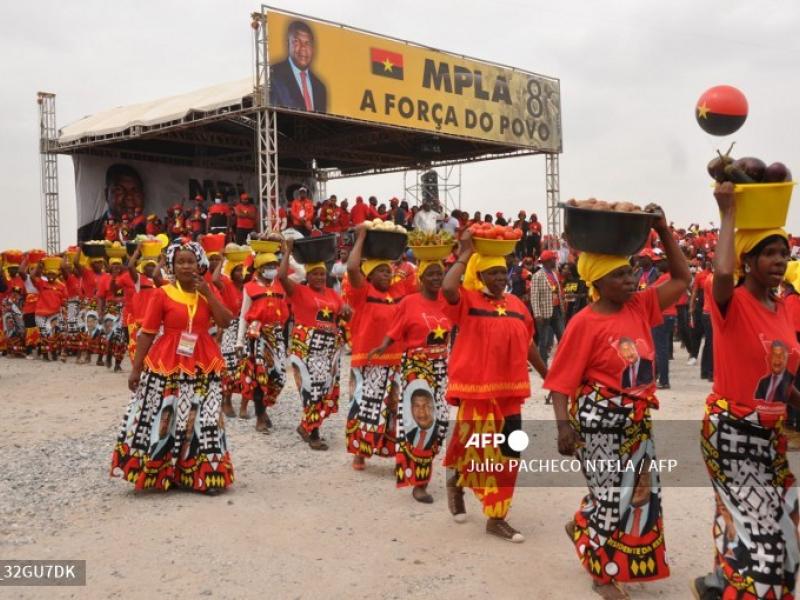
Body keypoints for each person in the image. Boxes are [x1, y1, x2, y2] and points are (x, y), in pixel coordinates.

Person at [543, 204, 689, 600]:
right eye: (621, 275)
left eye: (631, 272)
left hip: (637, 421)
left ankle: (582, 527)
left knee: (636, 494)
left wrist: (663, 229)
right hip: (599, 423)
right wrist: (563, 427)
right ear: (598, 281)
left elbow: (683, 278)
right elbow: (561, 382)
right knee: (610, 496)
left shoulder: (641, 307)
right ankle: (601, 573)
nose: (631, 280)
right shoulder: (584, 323)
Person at [692, 182, 800, 599]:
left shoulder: (780, 310)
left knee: (784, 526)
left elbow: (780, 379)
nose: (779, 260)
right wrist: (727, 212)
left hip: (768, 438)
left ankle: (716, 584)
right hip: (731, 433)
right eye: (769, 253)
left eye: (783, 253)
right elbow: (720, 272)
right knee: (762, 538)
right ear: (747, 260)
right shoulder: (730, 303)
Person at [440, 230, 547, 543]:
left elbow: (529, 344)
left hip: (511, 394)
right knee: (474, 448)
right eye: (493, 273)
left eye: (503, 272)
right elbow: (448, 287)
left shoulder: (516, 303)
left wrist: (547, 375)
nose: (500, 278)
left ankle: (496, 516)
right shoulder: (468, 300)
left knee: (510, 452)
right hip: (477, 391)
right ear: (479, 274)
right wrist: (464, 253)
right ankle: (457, 483)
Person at [111, 240, 234, 493]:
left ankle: (202, 474)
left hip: (203, 361)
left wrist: (209, 295)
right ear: (172, 266)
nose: (186, 266)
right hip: (167, 362)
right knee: (167, 416)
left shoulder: (208, 290)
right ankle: (163, 471)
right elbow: (147, 333)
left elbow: (226, 321)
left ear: (199, 265)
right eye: (180, 262)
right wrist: (136, 369)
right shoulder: (161, 293)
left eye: (190, 261)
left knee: (204, 418)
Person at [368, 257, 451, 503]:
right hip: (416, 364)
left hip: (441, 366)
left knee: (441, 423)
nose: (437, 278)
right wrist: (382, 347)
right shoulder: (409, 302)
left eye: (440, 274)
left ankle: (418, 462)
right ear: (421, 278)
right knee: (422, 421)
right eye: (432, 274)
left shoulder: (448, 302)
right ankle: (419, 482)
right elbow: (395, 329)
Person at [345, 225, 408, 470]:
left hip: (396, 360)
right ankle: (359, 453)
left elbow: (417, 277)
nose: (386, 275)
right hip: (368, 360)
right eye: (380, 271)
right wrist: (361, 237)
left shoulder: (398, 291)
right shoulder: (362, 292)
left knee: (394, 408)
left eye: (388, 270)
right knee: (365, 405)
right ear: (369, 275)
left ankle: (392, 450)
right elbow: (352, 267)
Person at [279, 240, 347, 450]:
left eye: (321, 274)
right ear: (307, 276)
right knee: (313, 389)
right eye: (314, 274)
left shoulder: (333, 295)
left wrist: (347, 312)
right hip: (306, 347)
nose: (319, 277)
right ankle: (314, 433)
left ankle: (305, 426)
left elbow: (342, 313)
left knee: (326, 389)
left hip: (329, 349)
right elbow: (281, 277)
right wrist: (287, 250)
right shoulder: (299, 291)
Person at [237, 252, 288, 431]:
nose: (273, 270)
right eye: (268, 266)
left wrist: (286, 250)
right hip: (257, 335)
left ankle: (264, 408)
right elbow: (244, 315)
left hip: (277, 335)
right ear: (259, 268)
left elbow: (299, 272)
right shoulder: (249, 287)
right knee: (259, 377)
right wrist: (239, 342)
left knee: (279, 376)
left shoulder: (280, 284)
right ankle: (260, 416)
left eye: (275, 266)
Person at [212, 244, 248, 419]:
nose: (241, 273)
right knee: (229, 366)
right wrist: (221, 258)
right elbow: (214, 278)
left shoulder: (249, 287)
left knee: (246, 366)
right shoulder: (226, 285)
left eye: (243, 270)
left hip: (247, 330)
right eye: (238, 270)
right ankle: (226, 401)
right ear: (232, 272)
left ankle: (244, 406)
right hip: (230, 328)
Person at [269, 20, 328, 112]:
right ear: (288, 43)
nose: (303, 48)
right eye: (296, 42)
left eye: (307, 43)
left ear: (313, 48)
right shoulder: (273, 75)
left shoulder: (320, 88)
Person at [78, 164, 145, 242]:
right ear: (107, 194)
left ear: (143, 196)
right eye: (119, 190)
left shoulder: (155, 234)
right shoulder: (84, 235)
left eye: (135, 191)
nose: (129, 197)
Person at [530, 250, 565, 364]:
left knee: (563, 337)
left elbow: (558, 292)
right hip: (544, 312)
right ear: (547, 261)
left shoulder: (554, 274)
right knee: (543, 341)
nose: (555, 261)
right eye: (553, 259)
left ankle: (565, 362)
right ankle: (543, 364)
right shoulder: (537, 276)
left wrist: (562, 307)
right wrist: (537, 314)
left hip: (556, 310)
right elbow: (534, 296)